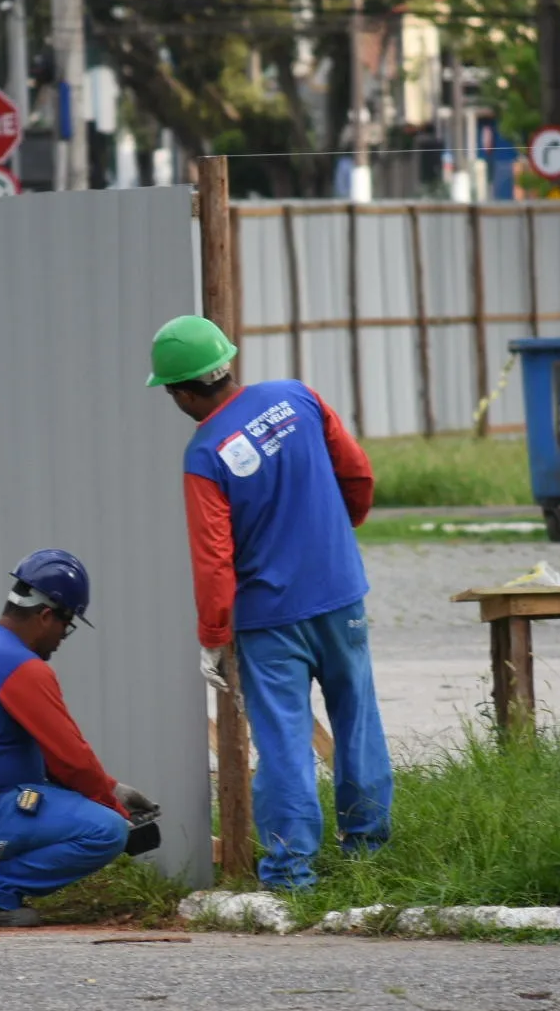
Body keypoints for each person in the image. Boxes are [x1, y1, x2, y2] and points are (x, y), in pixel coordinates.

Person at [146, 315, 393, 890]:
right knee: (358, 721)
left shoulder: (204, 452)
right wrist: (337, 536)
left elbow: (214, 560)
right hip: (340, 597)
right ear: (225, 364)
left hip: (269, 622)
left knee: (284, 745)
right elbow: (356, 472)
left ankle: (291, 874)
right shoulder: (296, 397)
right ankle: (368, 858)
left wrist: (213, 634)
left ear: (182, 391)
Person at [0, 548, 157, 927]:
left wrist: (111, 788)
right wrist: (117, 809)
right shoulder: (22, 667)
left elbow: (49, 758)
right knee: (106, 832)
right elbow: (71, 757)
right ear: (46, 616)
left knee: (88, 808)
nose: (64, 637)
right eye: (68, 625)